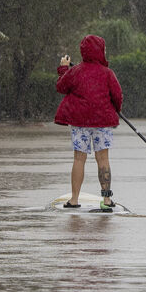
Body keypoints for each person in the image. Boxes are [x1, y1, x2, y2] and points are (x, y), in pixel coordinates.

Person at [54, 34, 123, 210]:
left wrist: (63, 69)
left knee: (79, 159)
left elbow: (61, 87)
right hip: (102, 123)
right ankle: (107, 201)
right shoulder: (107, 73)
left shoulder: (75, 71)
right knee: (103, 159)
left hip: (80, 122)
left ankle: (74, 200)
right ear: (101, 51)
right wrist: (116, 109)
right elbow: (117, 95)